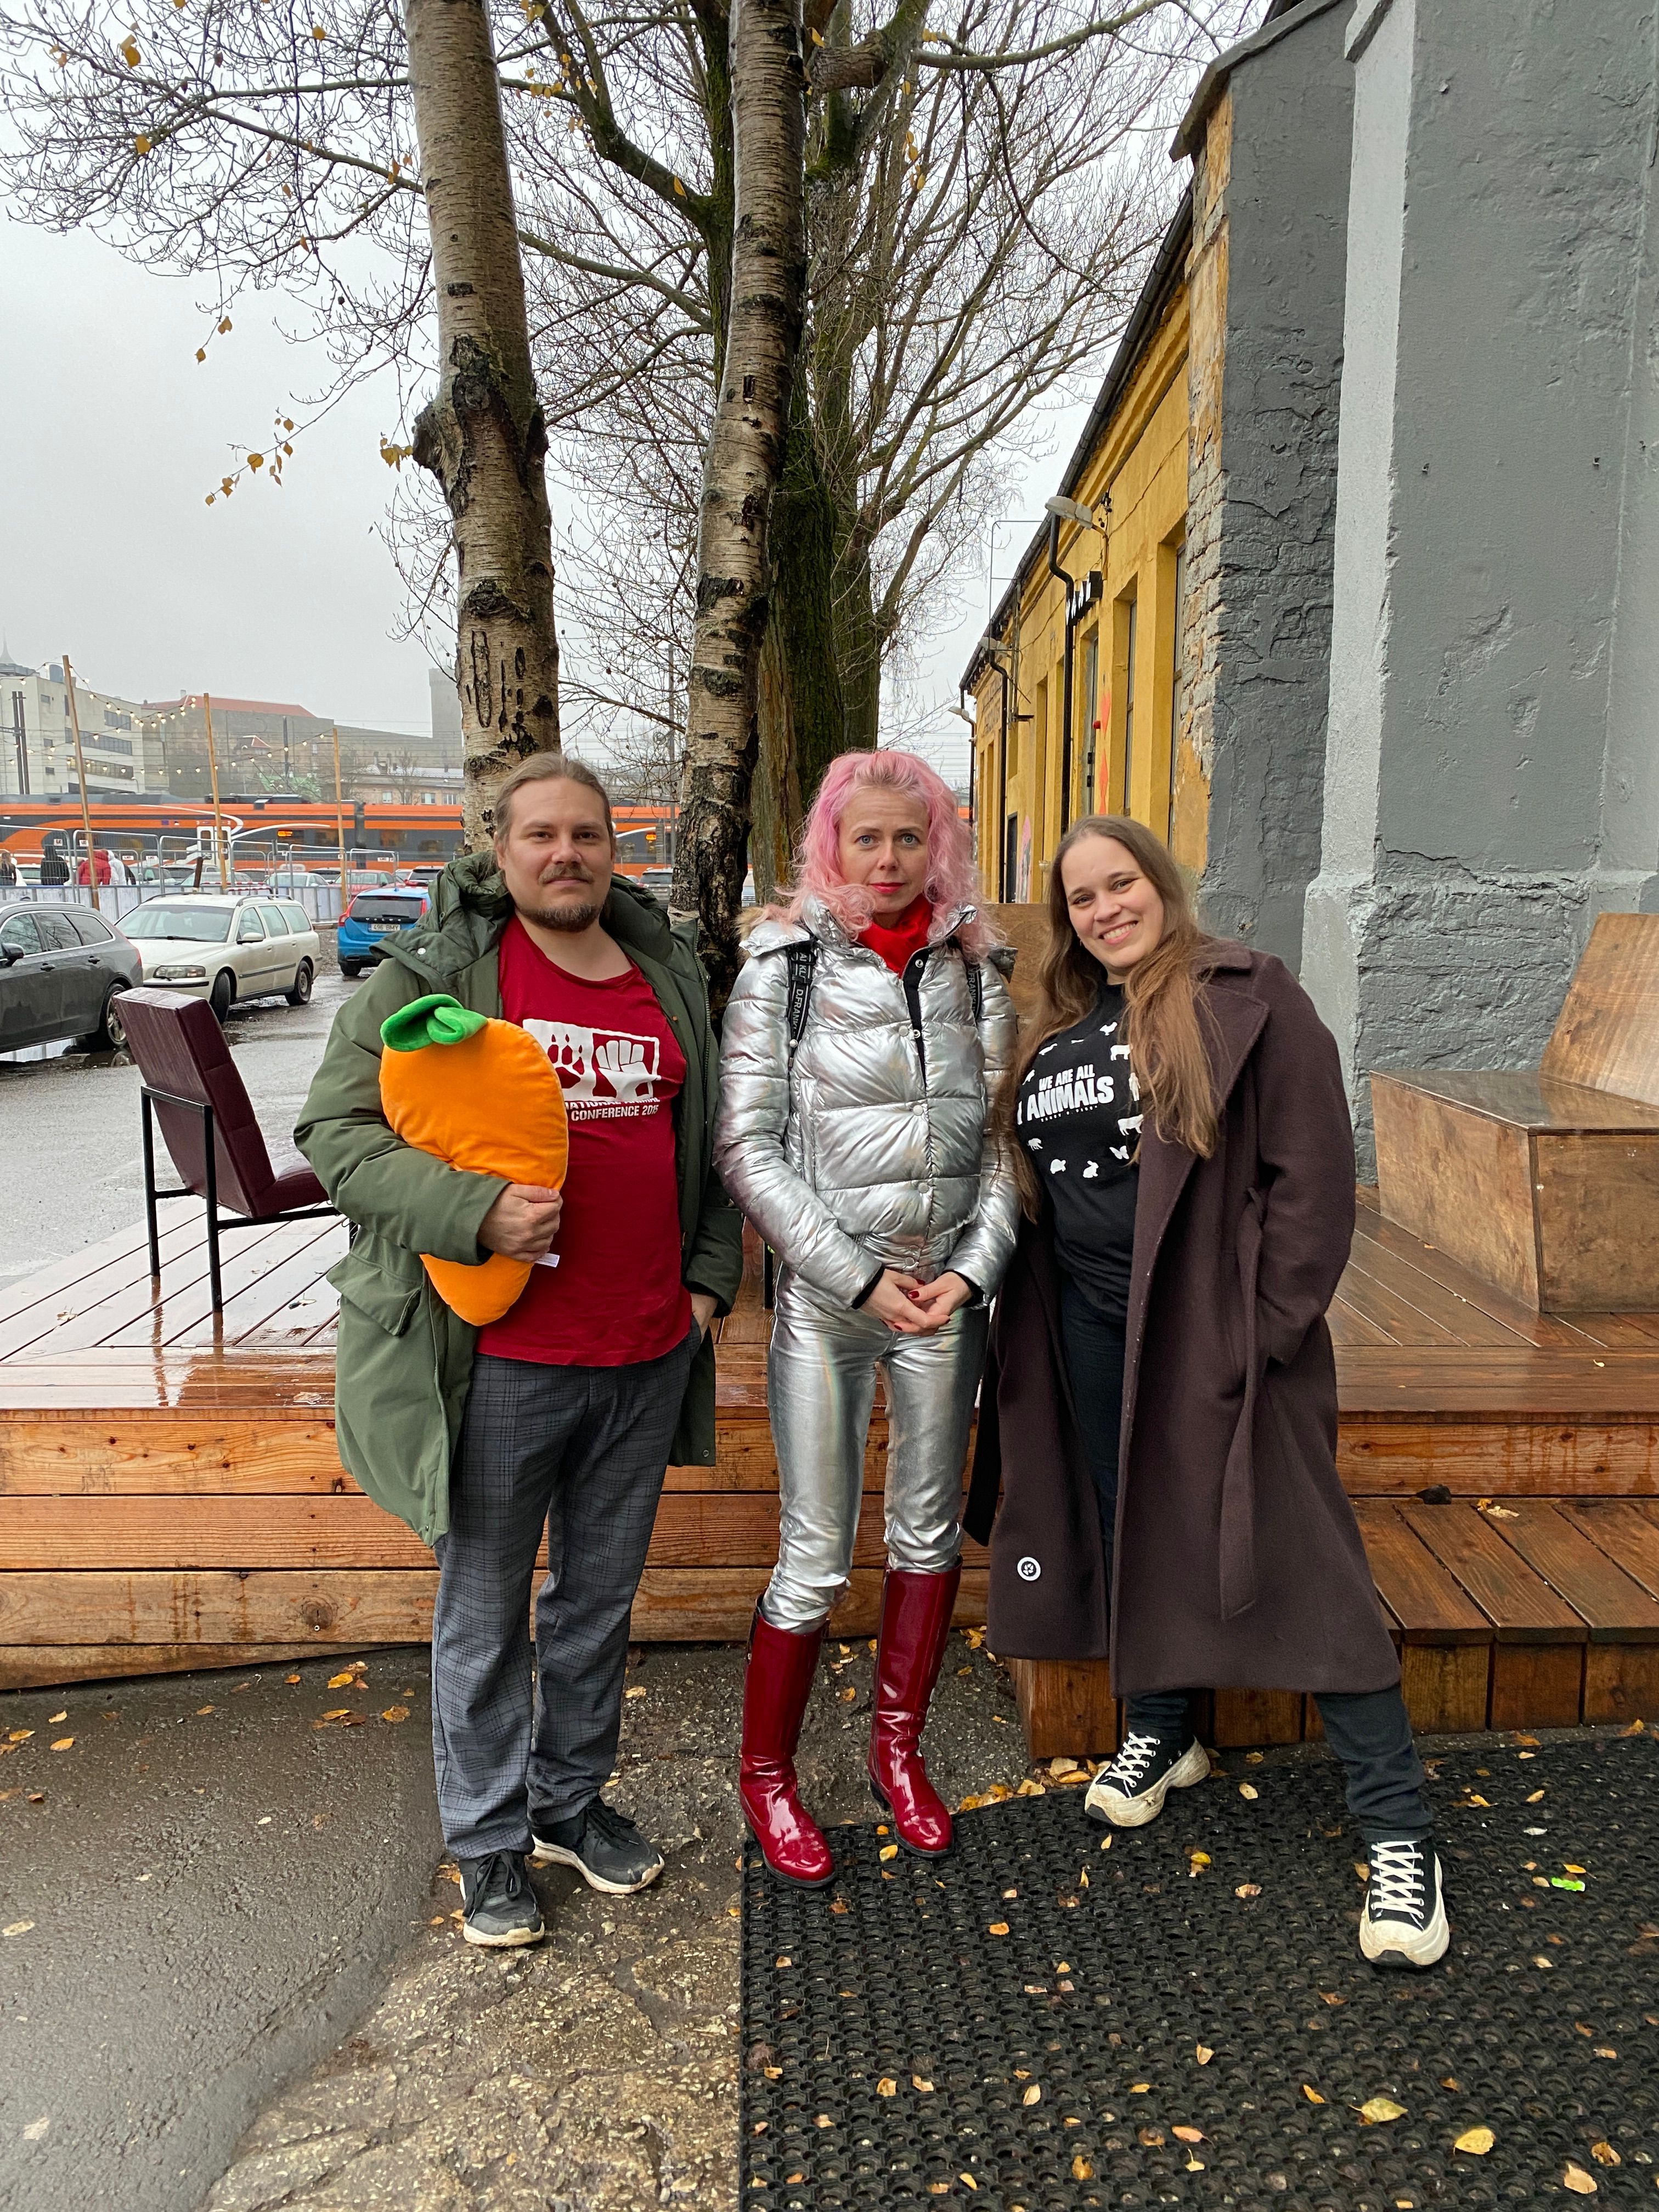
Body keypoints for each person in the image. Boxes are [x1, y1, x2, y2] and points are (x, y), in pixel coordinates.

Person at [966, 815, 1446, 1970]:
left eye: (1120, 883)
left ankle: (1400, 1835)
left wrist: (1260, 1331)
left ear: (1162, 883)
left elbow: (1313, 1182)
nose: (1105, 909)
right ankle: (1165, 1728)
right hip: (1086, 1329)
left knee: (1305, 1563)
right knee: (1128, 1525)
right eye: (1082, 898)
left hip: (1211, 1332)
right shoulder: (1063, 1027)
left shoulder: (1250, 997)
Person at [297, 754, 742, 1949]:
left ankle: (569, 1805)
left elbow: (706, 1141)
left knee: (596, 1605)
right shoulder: (439, 973)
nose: (565, 853)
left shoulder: (664, 971)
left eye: (587, 834)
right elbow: (335, 1130)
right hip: (495, 1358)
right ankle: (488, 1843)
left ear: (613, 848)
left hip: (644, 1352)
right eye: (540, 834)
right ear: (499, 850)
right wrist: (472, 1211)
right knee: (486, 1615)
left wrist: (709, 1285)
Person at [715, 749, 1019, 1884]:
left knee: (927, 1538)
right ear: (830, 846)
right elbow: (746, 1148)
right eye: (866, 838)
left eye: (909, 837)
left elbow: (1006, 1141)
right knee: (814, 1554)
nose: (889, 860)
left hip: (945, 1298)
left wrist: (974, 1272)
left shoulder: (976, 967)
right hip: (831, 1303)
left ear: (937, 844)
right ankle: (768, 1775)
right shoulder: (784, 968)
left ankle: (899, 1753)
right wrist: (854, 1277)